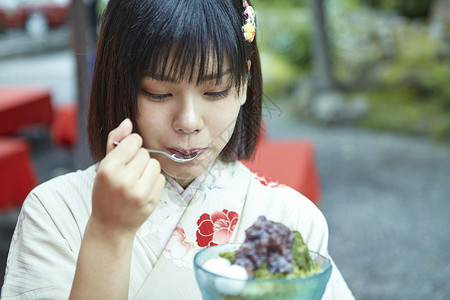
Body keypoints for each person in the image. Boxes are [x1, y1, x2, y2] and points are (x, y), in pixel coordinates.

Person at [1, 0, 354, 299]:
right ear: (120, 86)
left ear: (244, 84)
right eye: (158, 93)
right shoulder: (53, 213)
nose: (188, 121)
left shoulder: (291, 219)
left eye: (215, 91)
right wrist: (108, 233)